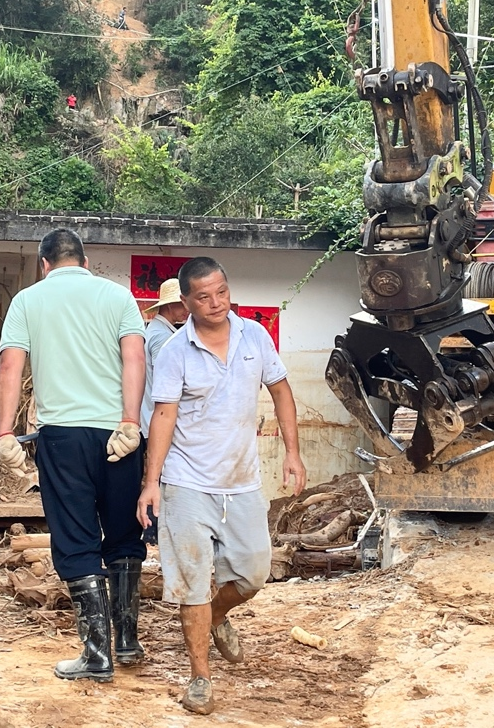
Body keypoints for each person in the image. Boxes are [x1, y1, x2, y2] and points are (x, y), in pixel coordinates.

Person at [137, 257, 306, 716]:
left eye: (222, 292)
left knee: (253, 573)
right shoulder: (174, 351)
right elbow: (163, 417)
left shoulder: (255, 336)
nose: (216, 303)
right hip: (186, 483)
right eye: (204, 297)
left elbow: (281, 390)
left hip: (242, 481)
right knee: (192, 583)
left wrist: (292, 452)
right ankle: (200, 678)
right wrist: (151, 483)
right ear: (186, 303)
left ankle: (215, 615)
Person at [0, 228, 147, 683]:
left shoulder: (28, 301)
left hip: (62, 439)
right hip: (118, 435)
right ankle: (127, 640)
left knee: (77, 539)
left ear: (44, 264)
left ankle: (97, 655)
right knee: (122, 534)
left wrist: (4, 430)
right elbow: (135, 359)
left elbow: (9, 366)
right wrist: (130, 422)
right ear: (85, 260)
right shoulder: (118, 297)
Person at [141, 278, 188, 440]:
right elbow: (165, 381)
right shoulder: (163, 337)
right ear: (169, 305)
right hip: (157, 419)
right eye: (182, 304)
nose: (187, 309)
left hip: (149, 417)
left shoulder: (155, 330)